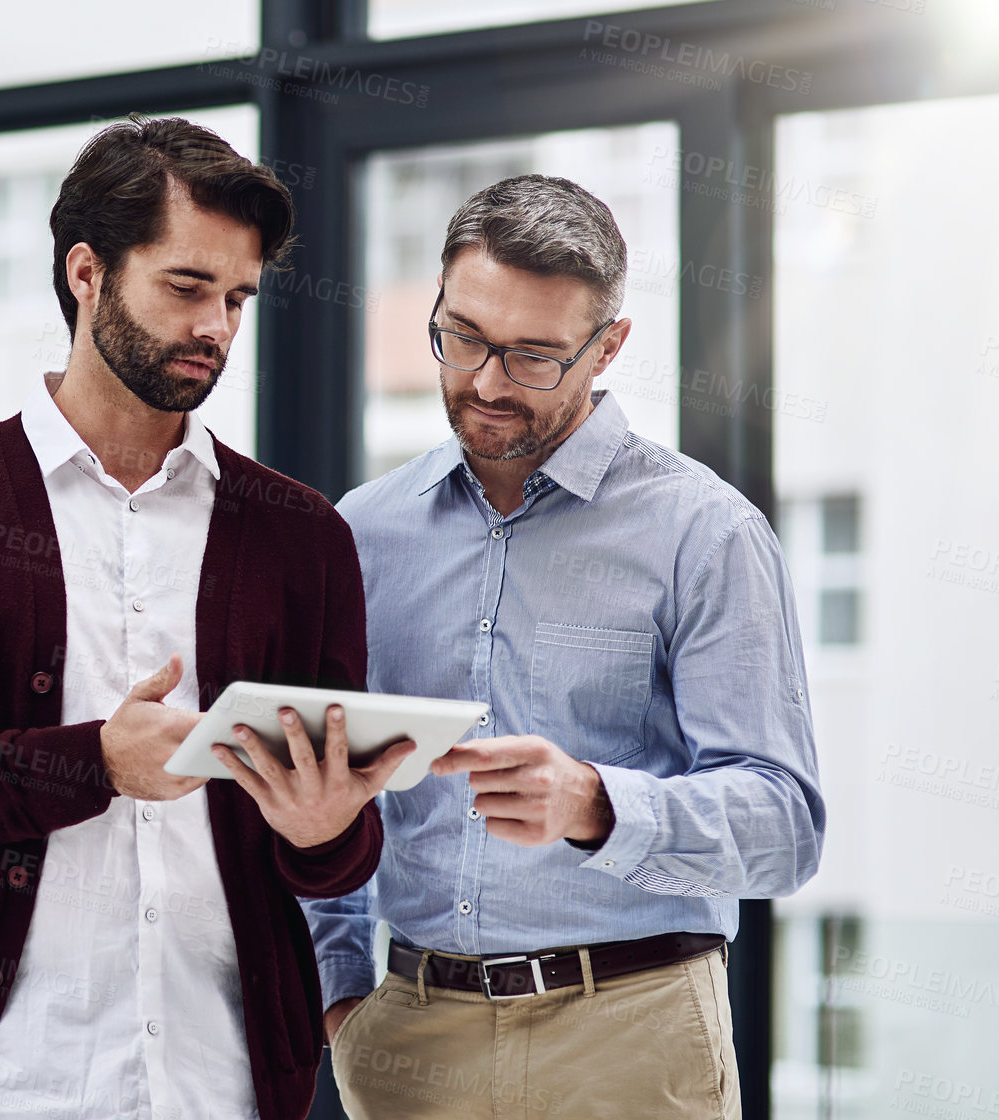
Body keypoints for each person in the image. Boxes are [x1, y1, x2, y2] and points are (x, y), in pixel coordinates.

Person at [0, 115, 412, 1120]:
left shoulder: (301, 538)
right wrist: (93, 761)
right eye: (185, 287)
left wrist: (325, 830)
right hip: (7, 1087)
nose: (216, 325)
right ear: (85, 273)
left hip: (226, 1088)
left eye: (236, 297)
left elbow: (337, 855)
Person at [302, 174, 826, 1118]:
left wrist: (595, 806)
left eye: (535, 355)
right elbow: (326, 787)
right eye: (461, 337)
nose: (488, 383)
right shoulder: (361, 532)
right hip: (409, 1040)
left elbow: (784, 829)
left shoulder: (703, 533)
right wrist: (341, 990)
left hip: (628, 1039)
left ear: (609, 346)